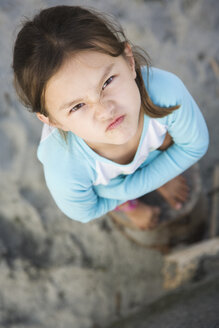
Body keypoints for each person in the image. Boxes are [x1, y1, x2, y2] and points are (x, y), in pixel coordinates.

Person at [12, 5, 209, 230]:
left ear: (129, 61)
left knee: (163, 140)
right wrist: (127, 198)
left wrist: (119, 190)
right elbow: (86, 211)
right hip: (109, 179)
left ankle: (155, 168)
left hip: (121, 179)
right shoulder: (65, 165)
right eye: (77, 106)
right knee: (128, 172)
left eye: (107, 82)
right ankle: (131, 205)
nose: (105, 111)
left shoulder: (165, 91)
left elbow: (196, 145)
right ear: (54, 122)